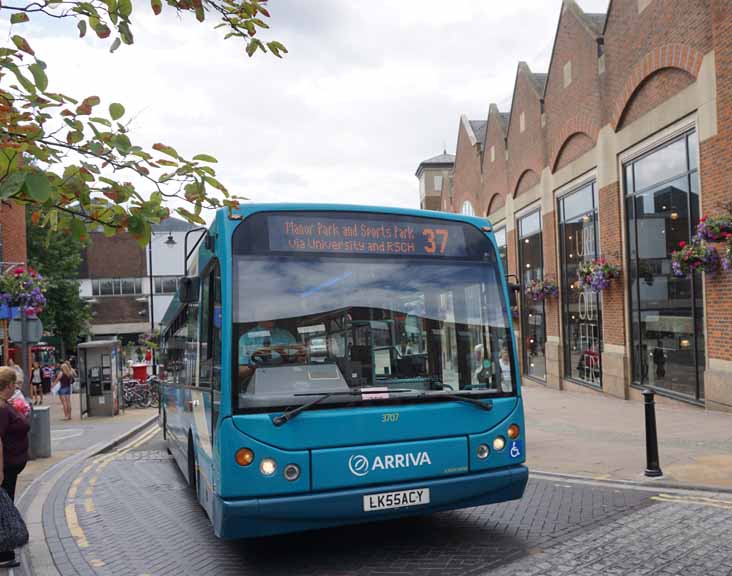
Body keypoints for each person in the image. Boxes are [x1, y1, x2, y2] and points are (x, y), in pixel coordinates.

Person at [0, 366, 30, 568]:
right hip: (6, 468)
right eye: (15, 384)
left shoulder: (5, 404)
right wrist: (0, 470)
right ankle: (4, 552)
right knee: (3, 510)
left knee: (5, 507)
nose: (16, 387)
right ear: (9, 385)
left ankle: (5, 550)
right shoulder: (1, 409)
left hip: (11, 466)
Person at [238, 320, 303, 381]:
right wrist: (256, 366)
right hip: (256, 381)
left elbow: (298, 362)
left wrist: (300, 357)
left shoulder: (287, 335)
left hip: (286, 378)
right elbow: (240, 371)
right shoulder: (246, 338)